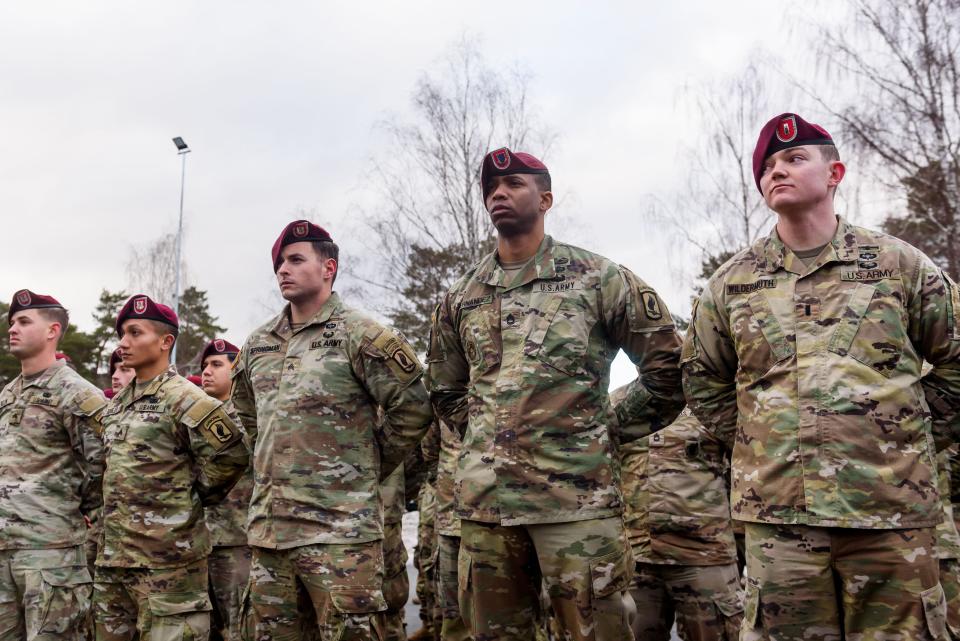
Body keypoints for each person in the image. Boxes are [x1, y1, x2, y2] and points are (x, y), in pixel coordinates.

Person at [682, 112, 960, 640]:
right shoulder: (731, 284)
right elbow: (703, 381)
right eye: (766, 166)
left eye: (794, 158)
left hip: (889, 515)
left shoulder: (898, 265)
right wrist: (759, 441)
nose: (776, 171)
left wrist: (912, 432)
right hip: (780, 521)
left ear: (835, 173)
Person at [427, 148, 685, 640]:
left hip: (576, 504)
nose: (499, 193)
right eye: (491, 189)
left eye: (514, 185)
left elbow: (668, 372)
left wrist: (603, 430)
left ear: (545, 199)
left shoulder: (599, 279)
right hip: (487, 508)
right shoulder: (461, 297)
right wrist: (489, 439)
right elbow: (445, 389)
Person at [230, 220, 433, 640]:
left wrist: (365, 465)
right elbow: (247, 417)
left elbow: (412, 408)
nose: (283, 269)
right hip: (271, 535)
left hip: (341, 533)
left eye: (296, 260)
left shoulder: (360, 334)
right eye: (280, 263)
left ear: (328, 268)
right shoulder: (258, 344)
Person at [94, 295, 248, 641]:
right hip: (115, 562)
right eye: (122, 334)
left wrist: (190, 497)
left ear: (165, 342)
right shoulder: (117, 405)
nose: (123, 343)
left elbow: (232, 454)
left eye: (135, 332)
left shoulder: (187, 399)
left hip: (169, 563)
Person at [0, 290, 106, 640]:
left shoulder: (77, 393)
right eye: (12, 321)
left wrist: (76, 508)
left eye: (24, 321)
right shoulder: (8, 393)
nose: (12, 328)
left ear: (52, 331)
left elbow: (105, 463)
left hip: (51, 556)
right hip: (4, 552)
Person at [614, 391, 742, 641]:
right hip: (636, 557)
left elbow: (745, 471)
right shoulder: (618, 403)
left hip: (703, 557)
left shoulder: (711, 402)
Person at [199, 338, 252, 641]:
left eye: (217, 364)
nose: (207, 371)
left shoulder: (249, 417)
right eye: (205, 365)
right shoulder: (201, 418)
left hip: (237, 540)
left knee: (237, 629)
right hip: (203, 539)